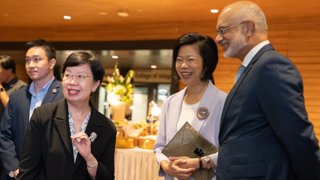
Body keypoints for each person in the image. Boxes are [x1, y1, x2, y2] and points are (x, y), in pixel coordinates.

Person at [215, 1, 320, 180]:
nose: (218, 38)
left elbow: (296, 135)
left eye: (223, 30)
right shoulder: (254, 68)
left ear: (248, 28)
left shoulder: (271, 66)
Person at [17, 51, 116, 180]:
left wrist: (89, 158)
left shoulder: (106, 127)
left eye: (81, 76)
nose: (72, 82)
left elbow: (108, 177)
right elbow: (27, 171)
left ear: (95, 84)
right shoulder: (42, 116)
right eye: (68, 75)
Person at [154, 32, 227, 180]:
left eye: (191, 59)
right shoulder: (171, 102)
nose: (183, 66)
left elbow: (232, 151)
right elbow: (159, 148)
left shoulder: (223, 102)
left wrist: (199, 163)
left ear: (207, 63)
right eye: (179, 60)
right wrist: (167, 166)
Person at [0, 39, 64, 179]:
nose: (31, 65)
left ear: (52, 63)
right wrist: (14, 167)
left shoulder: (64, 95)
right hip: (17, 174)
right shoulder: (17, 97)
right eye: (27, 60)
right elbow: (4, 135)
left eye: (37, 60)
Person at [0, 55, 27, 119]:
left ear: (9, 69)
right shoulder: (3, 85)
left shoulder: (22, 87)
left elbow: (12, 109)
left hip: (10, 128)